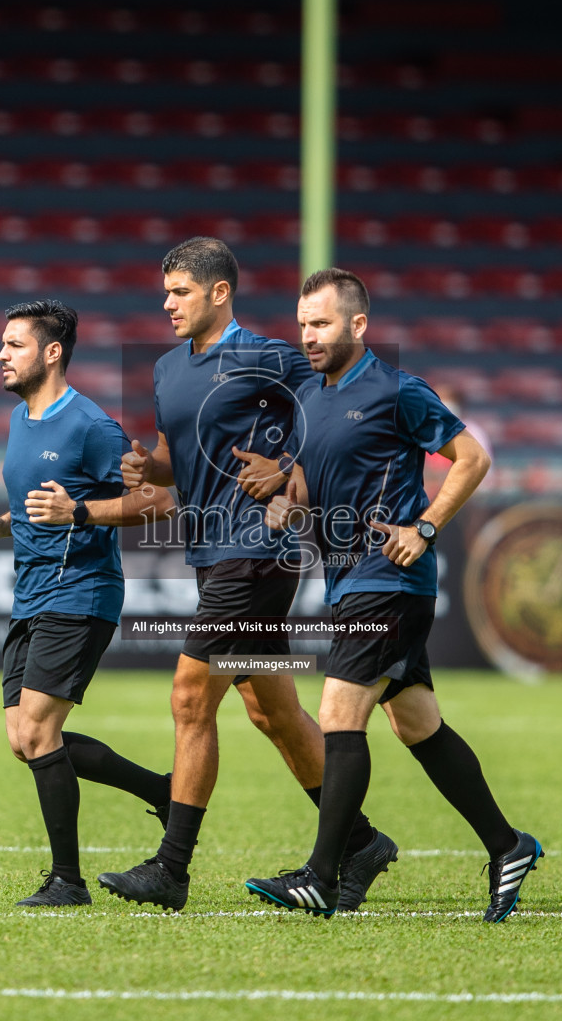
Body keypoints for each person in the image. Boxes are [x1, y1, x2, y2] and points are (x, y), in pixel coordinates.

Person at [95, 237, 397, 914]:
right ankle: (361, 843)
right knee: (272, 710)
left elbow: (343, 411)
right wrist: (150, 466)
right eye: (165, 291)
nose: (166, 303)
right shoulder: (169, 368)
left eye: (179, 291)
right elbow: (179, 456)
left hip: (257, 553)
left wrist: (289, 477)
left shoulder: (270, 357)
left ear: (219, 292)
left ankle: (171, 868)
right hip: (210, 554)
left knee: (189, 696)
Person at [243, 268, 541, 922]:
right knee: (417, 725)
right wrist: (284, 504)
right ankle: (508, 844)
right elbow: (313, 493)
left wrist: (426, 526)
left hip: (391, 580)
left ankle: (324, 873)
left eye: (319, 323)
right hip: (351, 581)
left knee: (339, 713)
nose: (308, 336)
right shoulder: (309, 398)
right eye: (301, 324)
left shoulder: (398, 390)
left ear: (358, 325)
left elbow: (472, 458)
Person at [0, 299, 178, 907]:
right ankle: (162, 792)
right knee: (24, 739)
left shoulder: (90, 425)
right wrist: (0, 526)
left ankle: (67, 881)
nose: (0, 354)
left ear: (52, 352)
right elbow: (42, 514)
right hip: (30, 595)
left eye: (14, 344)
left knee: (37, 729)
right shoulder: (19, 421)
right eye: (1, 344)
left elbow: (159, 503)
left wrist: (80, 511)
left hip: (81, 594)